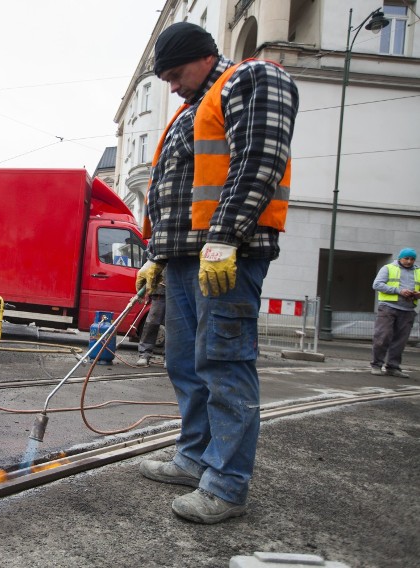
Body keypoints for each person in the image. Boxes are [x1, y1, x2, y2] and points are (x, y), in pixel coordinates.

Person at [134, 22, 299, 524]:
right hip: (188, 258)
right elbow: (177, 188)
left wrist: (225, 236)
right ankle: (194, 458)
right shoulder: (190, 111)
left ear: (205, 57)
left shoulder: (251, 79)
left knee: (224, 364)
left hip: (226, 255)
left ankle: (226, 485)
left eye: (176, 73)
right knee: (187, 364)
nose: (172, 85)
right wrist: (158, 255)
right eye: (164, 77)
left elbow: (260, 157)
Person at [371, 248, 419, 378]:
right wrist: (399, 291)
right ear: (400, 258)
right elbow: (377, 285)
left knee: (400, 341)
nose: (409, 261)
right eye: (406, 258)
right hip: (388, 307)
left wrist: (417, 294)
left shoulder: (418, 271)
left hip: (408, 310)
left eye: (412, 259)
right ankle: (376, 365)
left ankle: (393, 367)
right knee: (383, 336)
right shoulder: (388, 268)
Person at [136, 273, 166, 367]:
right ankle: (144, 355)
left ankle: (170, 357)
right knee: (151, 323)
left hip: (176, 290)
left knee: (173, 324)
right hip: (159, 290)